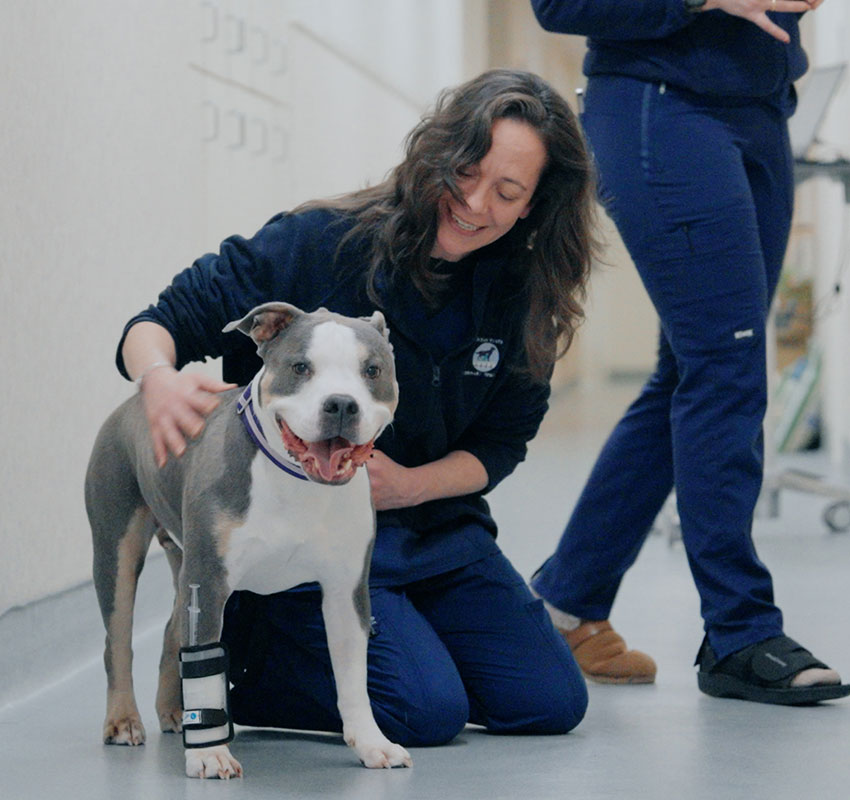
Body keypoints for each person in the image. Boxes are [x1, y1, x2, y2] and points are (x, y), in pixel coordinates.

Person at [118, 69, 596, 745]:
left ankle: (411, 648)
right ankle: (252, 670)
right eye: (464, 171)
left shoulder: (523, 294)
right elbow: (162, 318)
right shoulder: (318, 242)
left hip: (433, 531)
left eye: (508, 192)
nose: (474, 202)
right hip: (301, 539)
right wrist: (159, 381)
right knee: (423, 712)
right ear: (436, 154)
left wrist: (408, 486)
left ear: (534, 207)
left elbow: (502, 445)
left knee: (549, 702)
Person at [528, 0, 850, 705]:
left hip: (762, 108)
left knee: (694, 367)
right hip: (661, 104)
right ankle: (739, 632)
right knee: (725, 368)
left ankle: (566, 599)